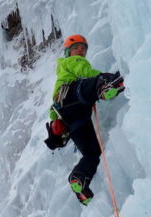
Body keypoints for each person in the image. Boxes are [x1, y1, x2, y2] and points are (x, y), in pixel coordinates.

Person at [46, 34, 125, 206]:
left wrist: (55, 122)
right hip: (73, 97)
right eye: (76, 48)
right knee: (94, 82)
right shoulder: (71, 62)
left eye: (83, 48)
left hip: (73, 119)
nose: (80, 51)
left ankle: (79, 179)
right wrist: (106, 77)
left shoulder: (61, 74)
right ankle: (107, 86)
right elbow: (87, 73)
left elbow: (52, 110)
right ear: (68, 53)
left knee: (92, 153)